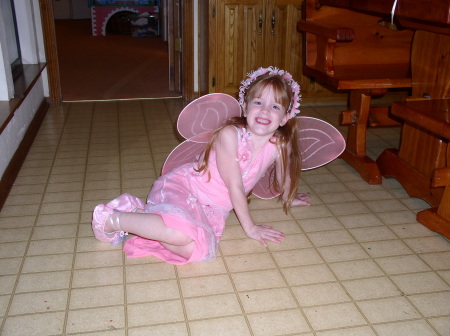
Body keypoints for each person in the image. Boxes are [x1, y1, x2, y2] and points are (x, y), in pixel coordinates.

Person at [91, 67, 311, 265]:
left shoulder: (281, 143)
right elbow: (235, 186)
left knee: (194, 250)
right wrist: (251, 228)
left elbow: (284, 174)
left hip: (212, 207)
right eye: (258, 103)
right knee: (180, 235)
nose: (264, 111)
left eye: (275, 106)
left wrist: (288, 196)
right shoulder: (230, 135)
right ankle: (112, 219)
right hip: (187, 188)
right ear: (245, 107)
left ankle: (141, 212)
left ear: (285, 117)